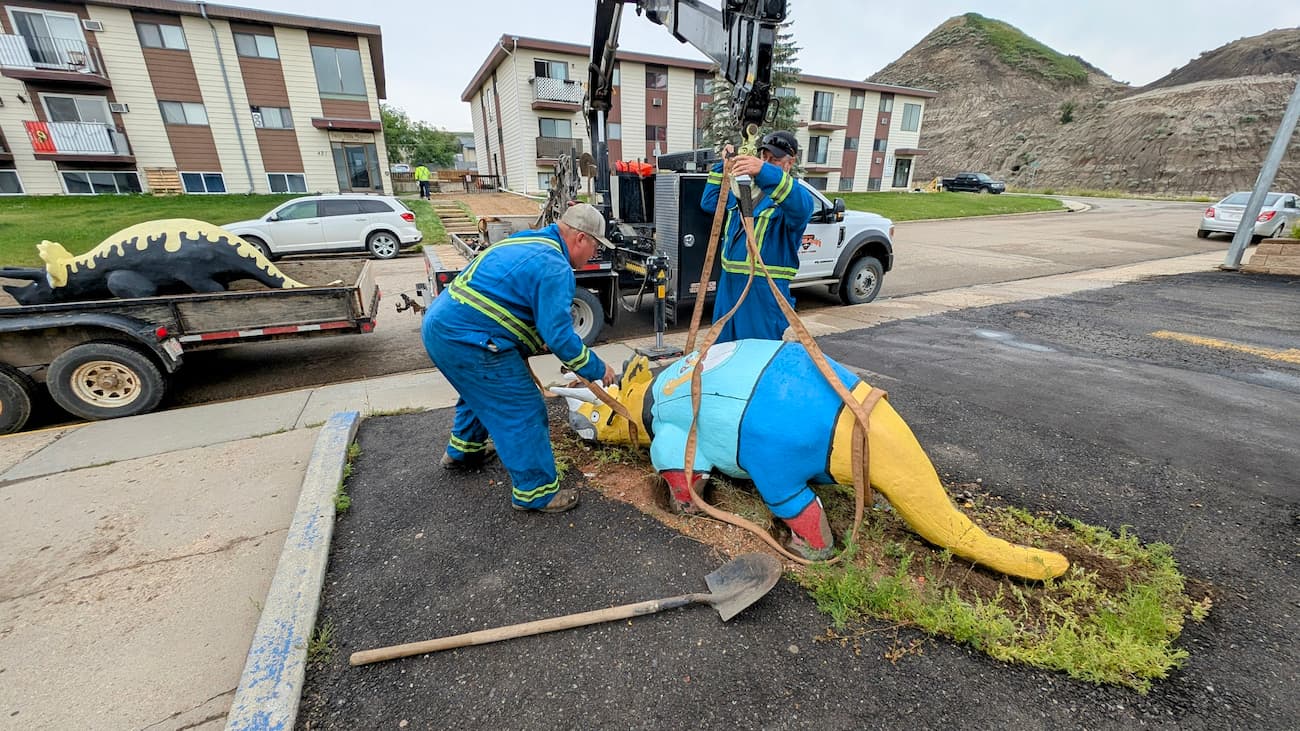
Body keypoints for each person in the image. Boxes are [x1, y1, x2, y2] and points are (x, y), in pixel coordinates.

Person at [421, 203, 617, 513]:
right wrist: (597, 368)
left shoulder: (527, 240)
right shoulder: (555, 266)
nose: (593, 254)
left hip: (442, 327)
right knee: (521, 407)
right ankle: (536, 492)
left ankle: (464, 451)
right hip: (468, 338)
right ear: (580, 238)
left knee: (482, 391)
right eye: (594, 245)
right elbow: (560, 337)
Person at [700, 130, 814, 342]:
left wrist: (763, 170)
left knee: (756, 358)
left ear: (790, 163)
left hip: (763, 294)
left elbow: (802, 207)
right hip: (729, 287)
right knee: (721, 352)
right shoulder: (745, 194)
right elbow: (709, 203)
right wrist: (724, 166)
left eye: (776, 160)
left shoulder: (789, 198)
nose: (768, 162)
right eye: (765, 158)